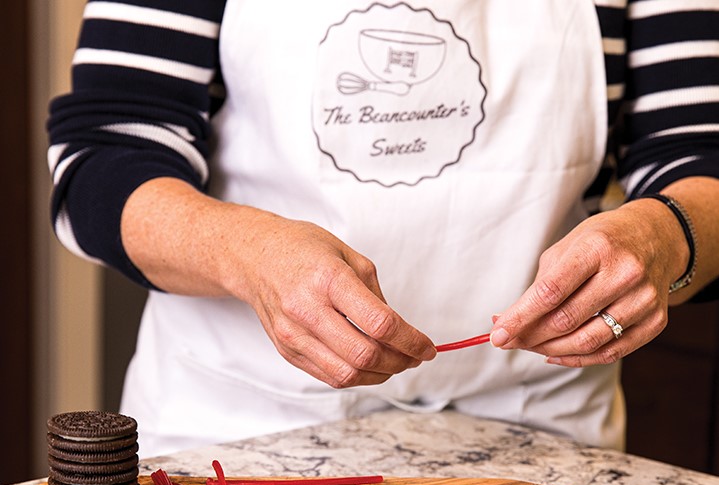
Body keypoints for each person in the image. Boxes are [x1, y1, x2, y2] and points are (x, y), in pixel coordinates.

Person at [48, 0, 719, 458]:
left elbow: (700, 159)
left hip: (538, 436)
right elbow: (101, 164)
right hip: (239, 431)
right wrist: (249, 253)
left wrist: (664, 238)